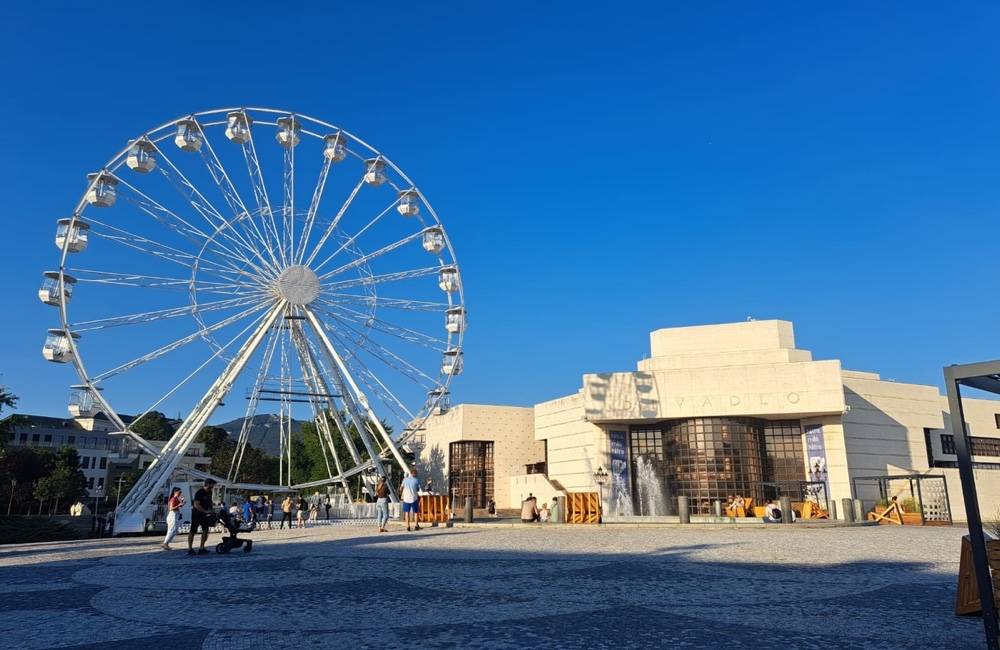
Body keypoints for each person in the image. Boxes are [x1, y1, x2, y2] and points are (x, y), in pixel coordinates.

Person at [187, 478, 216, 556]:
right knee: (193, 530)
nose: (213, 486)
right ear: (208, 484)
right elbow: (196, 504)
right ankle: (190, 549)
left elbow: (209, 502)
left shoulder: (209, 492)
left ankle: (201, 548)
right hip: (197, 513)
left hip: (205, 514)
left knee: (205, 530)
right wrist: (205, 511)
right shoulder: (199, 493)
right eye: (212, 485)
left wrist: (211, 509)